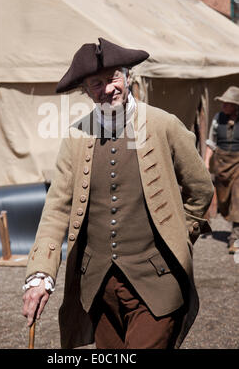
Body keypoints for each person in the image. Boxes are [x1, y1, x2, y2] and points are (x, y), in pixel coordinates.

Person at [22, 38, 213, 349]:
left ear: (128, 77)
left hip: (159, 283)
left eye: (112, 78)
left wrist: (180, 233)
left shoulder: (164, 126)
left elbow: (200, 190)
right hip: (98, 289)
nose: (107, 89)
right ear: (85, 91)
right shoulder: (76, 136)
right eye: (95, 84)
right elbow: (57, 209)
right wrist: (40, 275)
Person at [205, 86, 239, 254]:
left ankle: (235, 238)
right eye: (223, 102)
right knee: (224, 203)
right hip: (222, 166)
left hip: (238, 165)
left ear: (236, 105)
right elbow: (211, 142)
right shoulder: (218, 119)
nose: (224, 105)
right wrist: (206, 163)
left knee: (237, 200)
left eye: (228, 103)